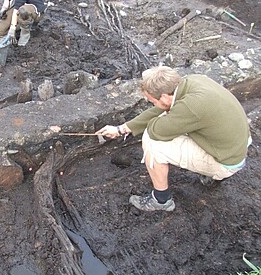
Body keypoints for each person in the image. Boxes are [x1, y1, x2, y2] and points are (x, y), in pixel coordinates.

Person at [96, 66, 251, 212]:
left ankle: (161, 201)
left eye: (152, 100)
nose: (152, 104)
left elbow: (155, 130)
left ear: (164, 96)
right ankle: (210, 173)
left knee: (152, 142)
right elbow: (160, 109)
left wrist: (165, 115)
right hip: (235, 147)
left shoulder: (190, 107)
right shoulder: (193, 81)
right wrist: (122, 129)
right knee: (168, 119)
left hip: (226, 163)